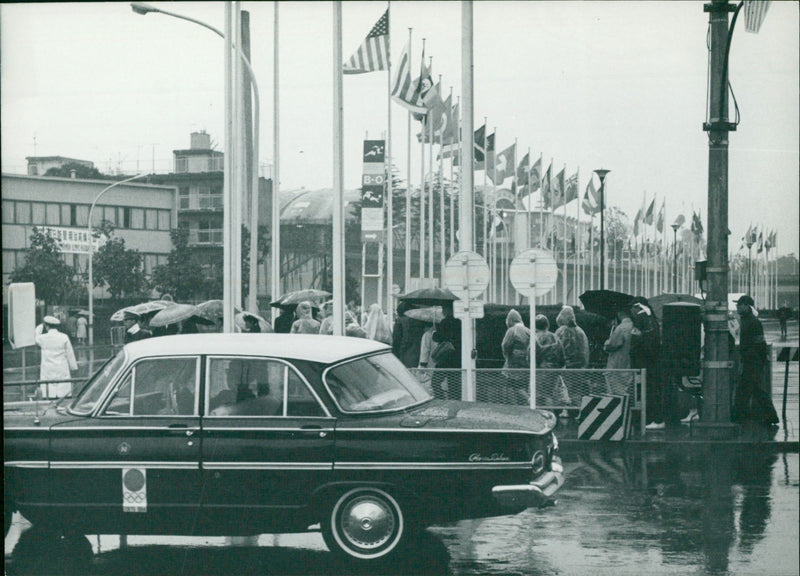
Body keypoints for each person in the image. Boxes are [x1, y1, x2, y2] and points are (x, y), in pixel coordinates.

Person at [733, 295, 779, 425]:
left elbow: (760, 342)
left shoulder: (753, 322)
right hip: (750, 360)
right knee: (753, 389)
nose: (738, 307)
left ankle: (739, 416)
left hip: (752, 361)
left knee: (746, 390)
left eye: (740, 304)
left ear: (747, 306)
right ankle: (769, 416)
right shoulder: (746, 320)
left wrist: (761, 359)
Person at [628, 299, 666, 430]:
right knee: (652, 390)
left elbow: (635, 340)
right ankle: (654, 418)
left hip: (642, 362)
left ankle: (651, 418)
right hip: (652, 362)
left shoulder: (640, 317)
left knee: (645, 391)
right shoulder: (651, 318)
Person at [35, 315, 78, 398]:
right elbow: (70, 353)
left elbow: (36, 338)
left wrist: (39, 328)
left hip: (48, 367)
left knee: (49, 388)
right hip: (62, 366)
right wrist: (73, 367)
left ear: (47, 326)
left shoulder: (42, 338)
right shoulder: (64, 337)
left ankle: (50, 398)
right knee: (63, 387)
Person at [534, 314, 565, 406]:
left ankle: (546, 416)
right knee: (550, 395)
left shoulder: (535, 338)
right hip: (554, 371)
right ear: (547, 325)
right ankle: (553, 414)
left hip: (540, 371)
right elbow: (562, 355)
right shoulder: (555, 337)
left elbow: (531, 355)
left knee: (540, 396)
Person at [501, 309, 531, 404]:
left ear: (511, 320)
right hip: (526, 363)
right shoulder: (528, 331)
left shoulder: (512, 330)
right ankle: (527, 402)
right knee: (521, 386)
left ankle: (519, 405)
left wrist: (507, 356)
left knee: (511, 386)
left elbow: (505, 345)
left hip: (513, 364)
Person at [603, 307, 634, 396]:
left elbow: (612, 344)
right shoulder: (633, 326)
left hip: (617, 364)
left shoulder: (621, 328)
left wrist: (606, 342)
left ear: (620, 314)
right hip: (628, 363)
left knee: (615, 391)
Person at [391, 301, 426, 368]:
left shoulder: (400, 321)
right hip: (419, 353)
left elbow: (396, 340)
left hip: (405, 354)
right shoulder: (420, 321)